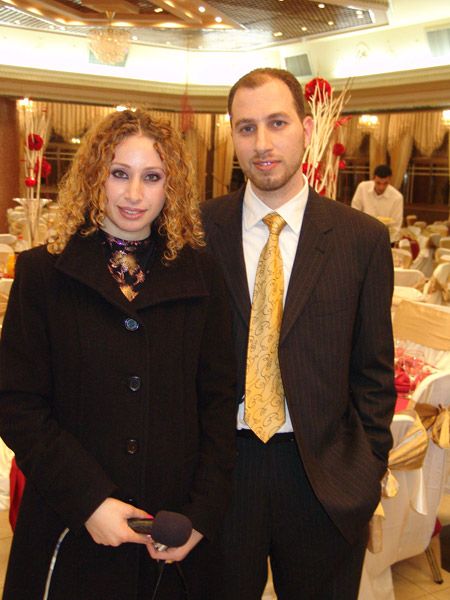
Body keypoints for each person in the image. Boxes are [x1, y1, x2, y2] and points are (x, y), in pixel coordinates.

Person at [0, 109, 236, 600]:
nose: (134, 194)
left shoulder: (203, 275)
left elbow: (218, 404)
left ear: (171, 186)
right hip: (69, 522)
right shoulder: (42, 274)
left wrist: (201, 515)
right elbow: (17, 404)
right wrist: (89, 501)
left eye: (152, 177)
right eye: (119, 173)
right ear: (94, 177)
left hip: (172, 529)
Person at [202, 68, 396, 599]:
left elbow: (374, 372)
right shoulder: (196, 232)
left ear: (307, 130)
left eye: (277, 123)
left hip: (323, 479)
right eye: (246, 128)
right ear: (232, 135)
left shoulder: (361, 239)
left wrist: (365, 471)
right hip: (221, 474)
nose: (262, 144)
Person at [351, 164, 404, 233]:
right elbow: (354, 213)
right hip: (362, 231)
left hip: (384, 234)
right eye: (378, 183)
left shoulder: (397, 197)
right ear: (373, 179)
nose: (381, 187)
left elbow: (396, 226)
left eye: (385, 183)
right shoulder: (362, 188)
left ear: (390, 180)